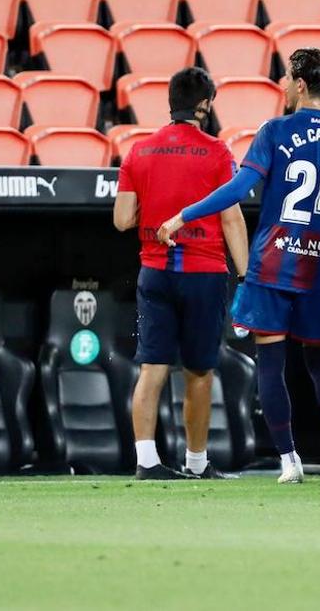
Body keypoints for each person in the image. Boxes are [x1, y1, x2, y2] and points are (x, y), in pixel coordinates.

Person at [156, 49, 320, 485]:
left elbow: (238, 188)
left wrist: (184, 215)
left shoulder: (275, 131)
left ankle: (289, 460)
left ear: (302, 85)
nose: (283, 86)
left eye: (288, 78)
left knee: (271, 365)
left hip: (274, 265)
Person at [113, 67, 248, 480]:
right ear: (205, 105)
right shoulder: (218, 152)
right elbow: (232, 220)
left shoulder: (138, 151)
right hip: (203, 273)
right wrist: (246, 278)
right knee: (200, 370)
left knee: (151, 368)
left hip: (154, 271)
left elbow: (121, 220)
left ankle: (146, 461)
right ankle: (196, 463)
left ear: (171, 102)